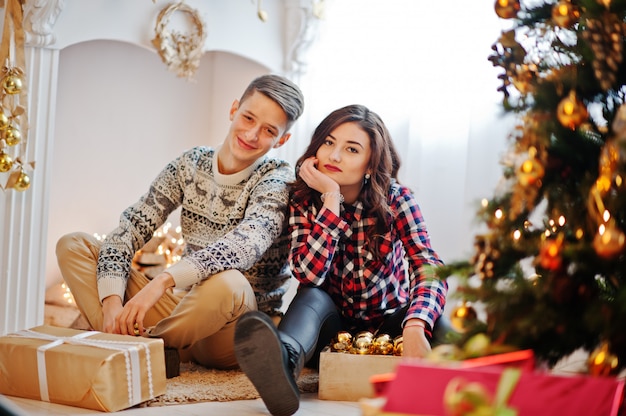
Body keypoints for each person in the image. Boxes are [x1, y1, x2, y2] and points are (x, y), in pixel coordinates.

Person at [56, 74, 305, 375]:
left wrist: (162, 281)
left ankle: (139, 349)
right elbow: (130, 228)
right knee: (74, 245)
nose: (252, 135)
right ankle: (139, 342)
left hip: (231, 331)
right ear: (233, 110)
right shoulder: (191, 164)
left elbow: (245, 245)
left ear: (283, 140)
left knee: (230, 282)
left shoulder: (277, 179)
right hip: (178, 313)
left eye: (268, 131)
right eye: (248, 117)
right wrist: (111, 304)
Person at [234, 104, 448, 416]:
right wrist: (330, 200)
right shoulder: (305, 199)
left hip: (391, 324)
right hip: (330, 330)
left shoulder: (397, 199)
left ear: (370, 163)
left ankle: (465, 372)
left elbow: (427, 265)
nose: (334, 156)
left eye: (351, 149)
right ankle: (284, 363)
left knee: (436, 321)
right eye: (329, 143)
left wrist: (416, 325)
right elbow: (308, 274)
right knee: (311, 296)